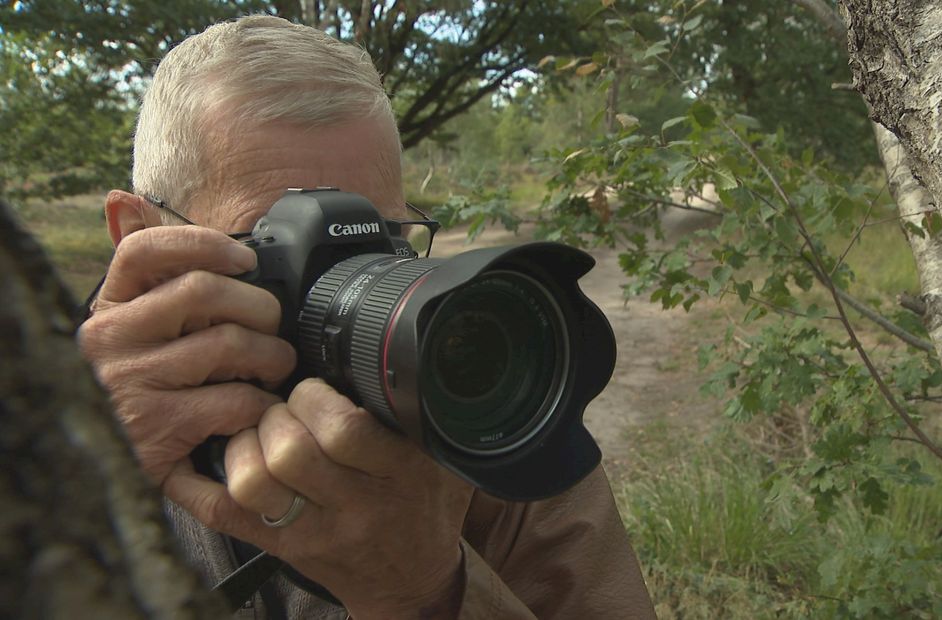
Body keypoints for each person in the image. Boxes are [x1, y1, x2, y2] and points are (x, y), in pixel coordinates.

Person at [76, 14, 655, 620]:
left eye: (376, 238)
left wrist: (425, 591)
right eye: (269, 243)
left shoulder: (490, 412)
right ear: (140, 238)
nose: (344, 280)